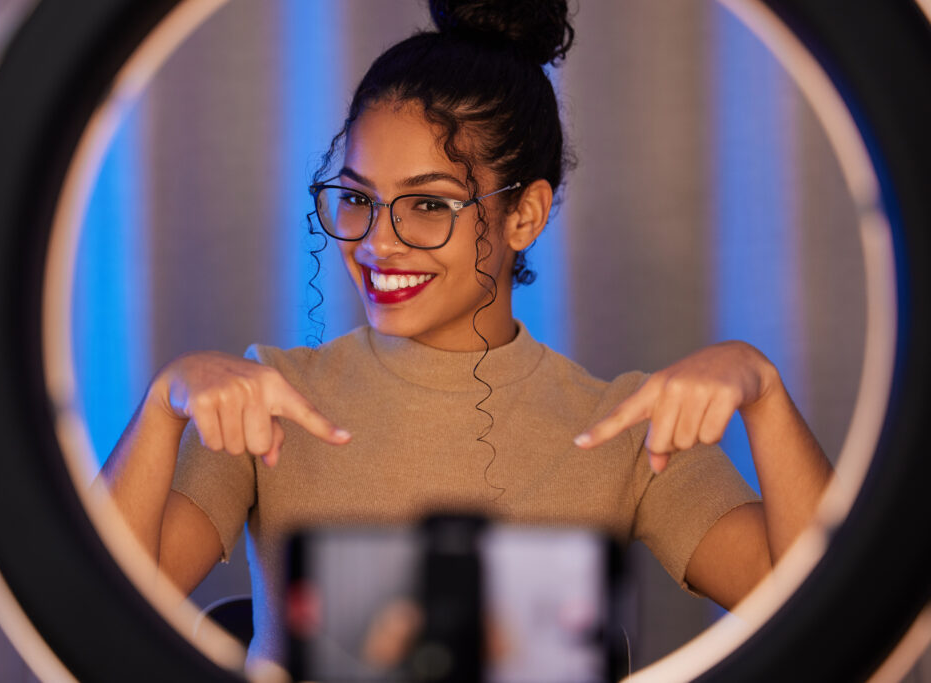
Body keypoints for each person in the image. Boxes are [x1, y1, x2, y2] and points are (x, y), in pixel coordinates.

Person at [99, 0, 833, 665]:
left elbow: (819, 609)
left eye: (427, 205)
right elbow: (105, 601)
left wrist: (762, 389)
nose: (375, 243)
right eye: (357, 198)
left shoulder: (624, 427)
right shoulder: (272, 401)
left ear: (524, 216)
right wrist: (165, 404)